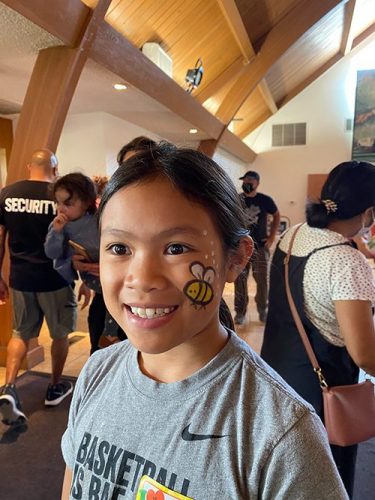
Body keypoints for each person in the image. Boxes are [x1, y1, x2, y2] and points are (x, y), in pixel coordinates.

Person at [61, 143, 347, 499]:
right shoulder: (96, 373)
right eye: (120, 249)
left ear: (236, 260)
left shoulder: (280, 434)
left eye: (176, 248)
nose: (142, 277)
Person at [261, 160, 375, 497]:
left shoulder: (293, 233)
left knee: (287, 476)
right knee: (326, 480)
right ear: (368, 212)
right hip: (323, 396)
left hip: (277, 378)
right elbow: (365, 353)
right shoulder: (345, 260)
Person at [0, 149, 76, 426]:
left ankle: (9, 387)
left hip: (21, 278)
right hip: (54, 279)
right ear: (54, 170)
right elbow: (69, 239)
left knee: (20, 334)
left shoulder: (7, 195)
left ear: (29, 166)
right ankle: (55, 386)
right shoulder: (59, 198)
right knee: (60, 334)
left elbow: (0, 236)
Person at [44, 172, 125, 355]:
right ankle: (109, 336)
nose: (61, 209)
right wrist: (56, 232)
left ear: (87, 202)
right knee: (109, 293)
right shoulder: (59, 225)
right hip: (92, 277)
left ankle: (110, 334)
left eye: (68, 204)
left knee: (113, 293)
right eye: (58, 203)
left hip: (113, 273)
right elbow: (52, 253)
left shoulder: (100, 220)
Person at [234, 170, 280, 325]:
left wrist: (272, 235)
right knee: (239, 280)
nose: (246, 183)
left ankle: (262, 310)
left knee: (262, 281)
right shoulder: (236, 199)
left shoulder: (265, 200)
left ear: (257, 183)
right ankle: (240, 312)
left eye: (249, 180)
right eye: (244, 180)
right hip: (240, 247)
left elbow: (277, 214)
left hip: (260, 246)